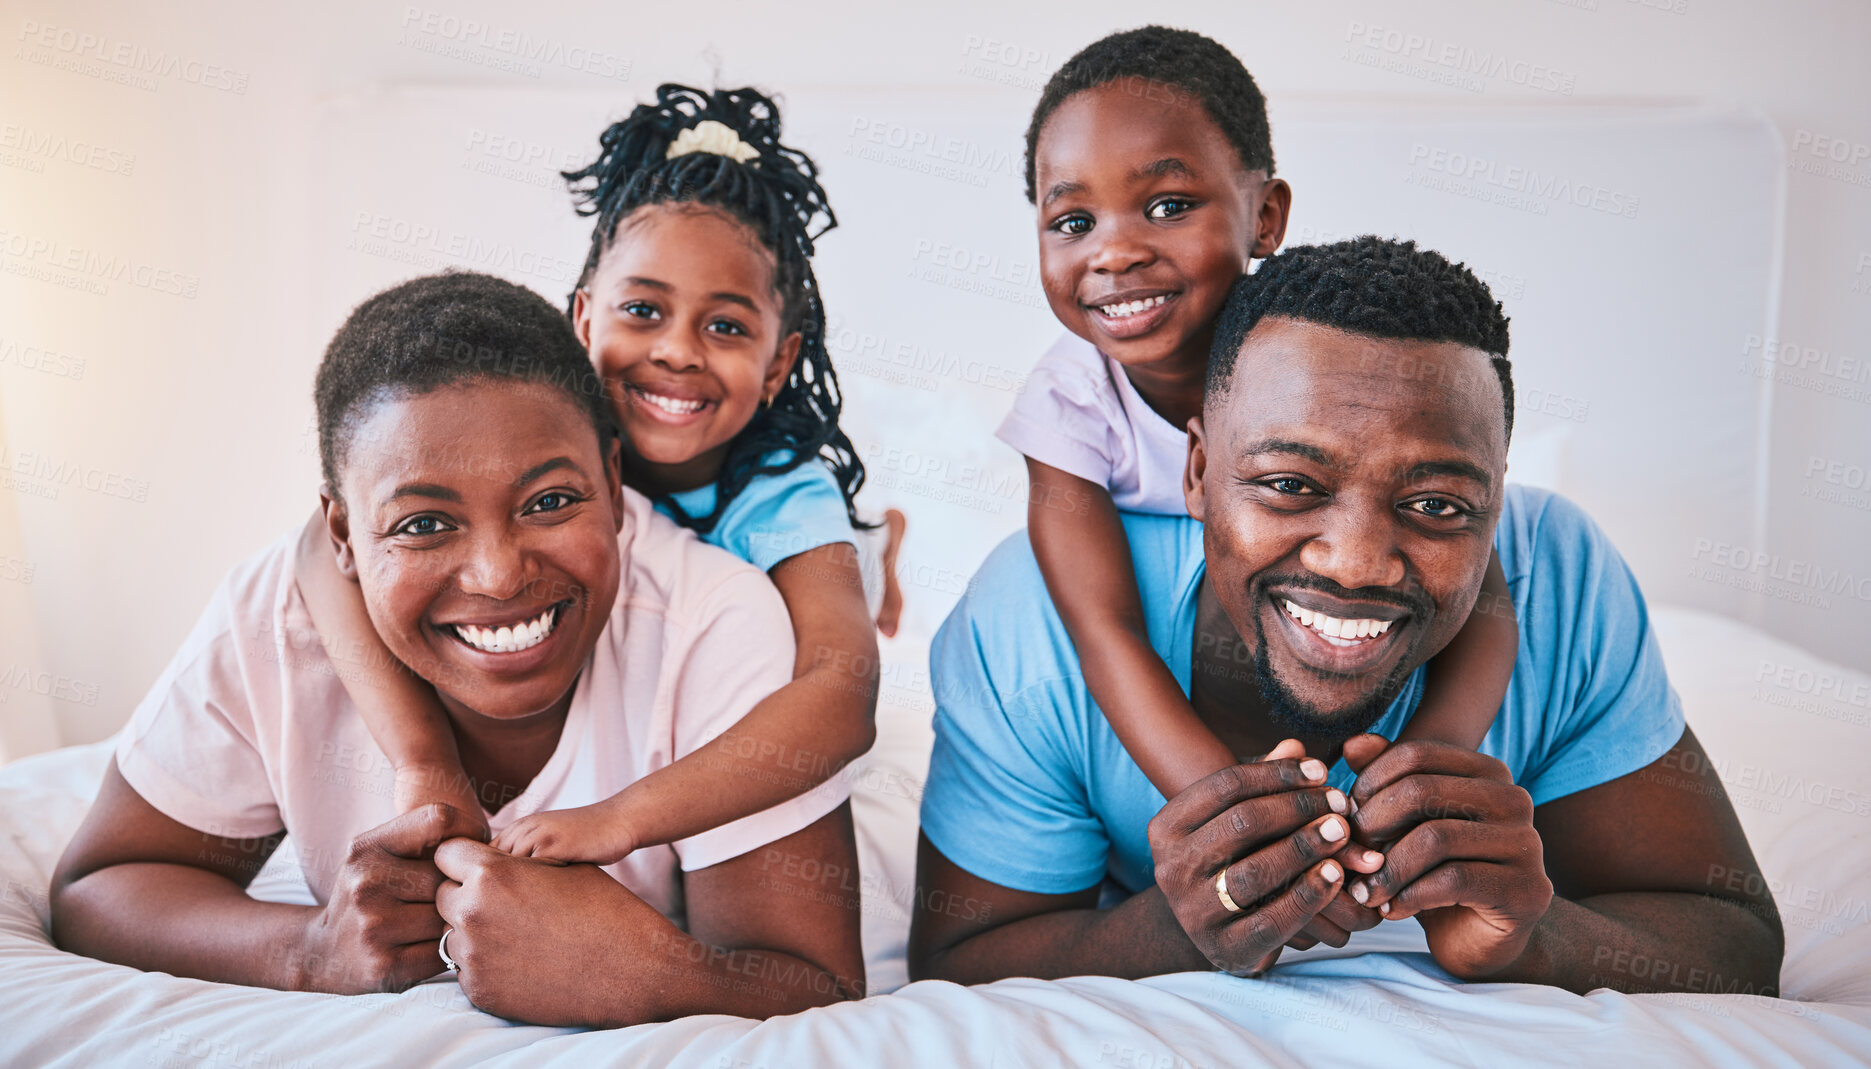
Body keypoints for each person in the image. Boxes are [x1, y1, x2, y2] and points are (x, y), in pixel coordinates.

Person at [911, 238, 1783, 995]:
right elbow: (957, 959)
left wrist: (1529, 940)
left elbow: (1732, 938)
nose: (1356, 561)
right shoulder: (1032, 618)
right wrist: (1169, 932)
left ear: (1498, 503)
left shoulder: (1555, 571)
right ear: (1196, 471)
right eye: (1290, 485)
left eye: (1438, 504)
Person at [51, 272, 865, 1025]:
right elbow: (97, 889)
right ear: (341, 533)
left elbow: (818, 985)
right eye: (423, 523)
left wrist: (648, 970)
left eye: (549, 501)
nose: (500, 575)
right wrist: (309, 950)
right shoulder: (278, 616)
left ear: (615, 487)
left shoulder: (714, 622)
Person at [291, 84, 903, 866]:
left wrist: (624, 816)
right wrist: (425, 762)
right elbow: (318, 547)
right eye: (643, 311)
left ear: (779, 361)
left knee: (853, 591)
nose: (678, 351)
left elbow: (842, 700)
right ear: (585, 319)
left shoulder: (782, 491)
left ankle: (877, 552)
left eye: (724, 326)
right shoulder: (545, 436)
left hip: (788, 593)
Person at [1003, 27, 1518, 803]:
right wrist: (1238, 814)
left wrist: (1413, 775)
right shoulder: (1067, 401)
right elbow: (1102, 629)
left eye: (1167, 206)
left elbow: (1486, 600)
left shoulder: (1321, 351)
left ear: (1265, 215)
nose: (1113, 252)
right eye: (1073, 222)